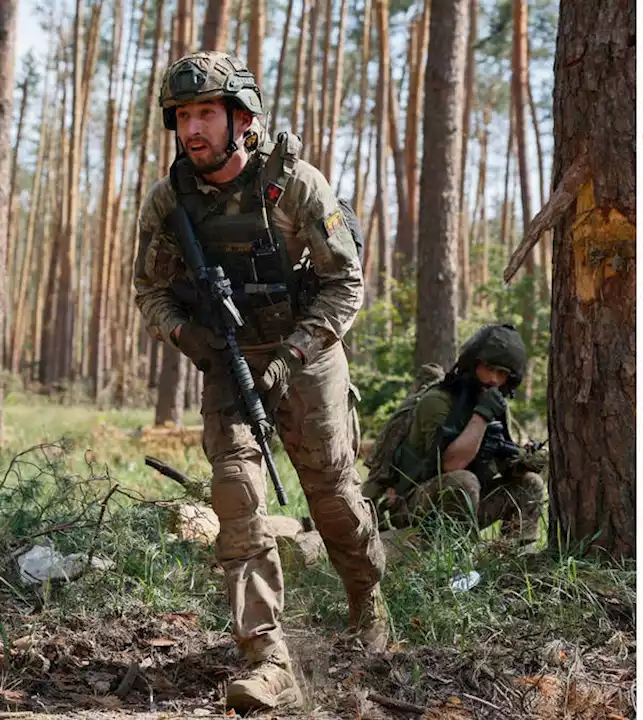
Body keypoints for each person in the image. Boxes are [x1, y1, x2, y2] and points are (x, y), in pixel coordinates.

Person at [132, 51, 384, 712]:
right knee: (237, 494)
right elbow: (150, 292)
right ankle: (269, 657)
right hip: (226, 360)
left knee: (331, 493)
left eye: (205, 112)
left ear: (242, 117)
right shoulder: (170, 200)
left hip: (306, 356)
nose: (193, 127)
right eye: (183, 115)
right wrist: (189, 336)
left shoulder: (294, 185)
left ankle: (367, 600)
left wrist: (291, 355)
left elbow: (345, 285)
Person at [377, 324, 546, 546]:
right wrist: (481, 416)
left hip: (466, 501)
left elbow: (497, 458)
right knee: (464, 481)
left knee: (531, 484)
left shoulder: (495, 405)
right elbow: (451, 464)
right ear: (472, 364)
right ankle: (457, 557)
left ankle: (513, 557)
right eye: (489, 368)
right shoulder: (437, 401)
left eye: (502, 373)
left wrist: (521, 462)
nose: (494, 379)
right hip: (414, 505)